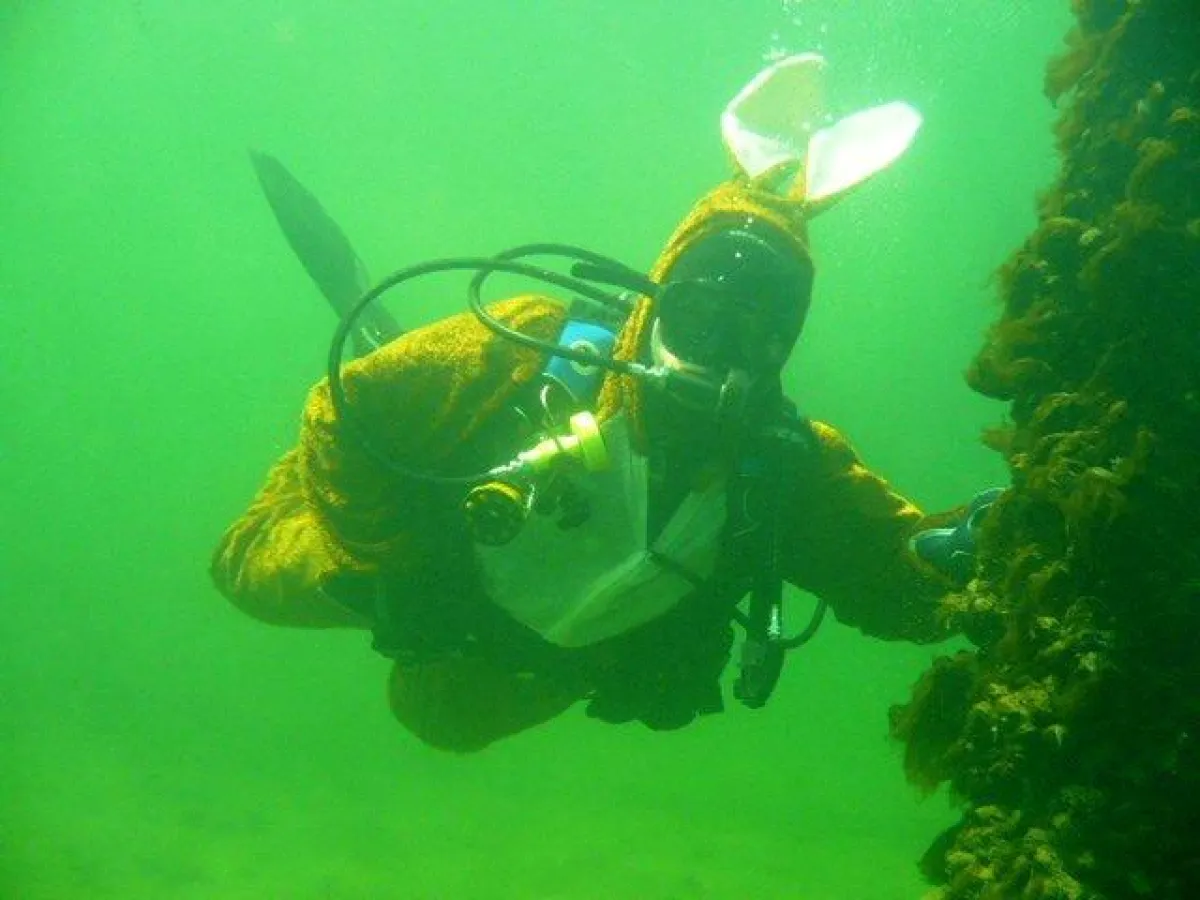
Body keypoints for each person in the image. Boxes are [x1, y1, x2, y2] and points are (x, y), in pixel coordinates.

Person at [211, 54, 975, 753]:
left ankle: (416, 421)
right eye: (699, 314)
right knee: (240, 570)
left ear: (786, 342)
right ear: (660, 293)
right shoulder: (523, 349)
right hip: (430, 553)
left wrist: (957, 555)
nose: (714, 351)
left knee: (439, 720)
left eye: (757, 332)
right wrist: (399, 574)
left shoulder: (783, 469)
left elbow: (887, 580)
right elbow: (342, 412)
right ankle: (398, 386)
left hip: (522, 661)